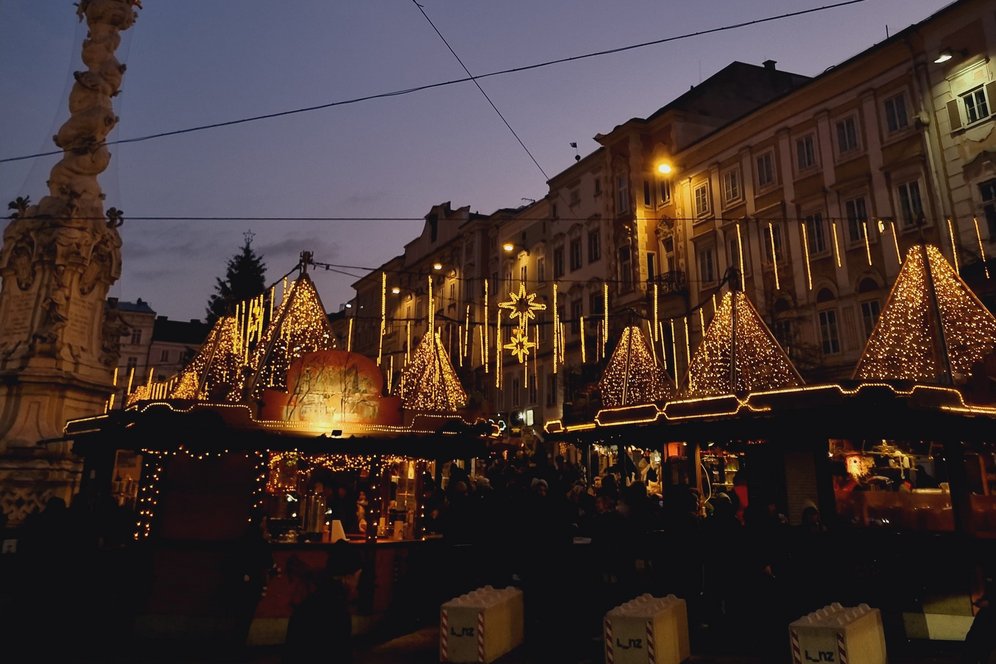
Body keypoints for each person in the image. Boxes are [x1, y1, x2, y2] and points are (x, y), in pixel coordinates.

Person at [283, 541, 362, 663]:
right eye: (357, 577)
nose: (357, 585)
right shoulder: (337, 609)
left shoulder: (313, 598)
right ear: (348, 577)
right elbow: (340, 654)